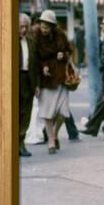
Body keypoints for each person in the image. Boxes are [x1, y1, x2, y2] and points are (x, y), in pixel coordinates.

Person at [34, 9, 73, 154]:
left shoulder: (60, 34)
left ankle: (55, 134)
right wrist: (42, 67)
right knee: (47, 112)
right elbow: (34, 58)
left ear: (52, 26)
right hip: (46, 79)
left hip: (61, 77)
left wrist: (64, 54)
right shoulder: (36, 35)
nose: (43, 29)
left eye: (46, 27)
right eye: (42, 26)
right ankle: (51, 141)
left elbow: (70, 51)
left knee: (63, 112)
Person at [19, 13, 40, 157]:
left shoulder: (31, 42)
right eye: (21, 27)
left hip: (29, 80)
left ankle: (21, 143)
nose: (24, 30)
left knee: (26, 113)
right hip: (16, 78)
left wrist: (37, 85)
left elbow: (36, 65)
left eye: (26, 26)